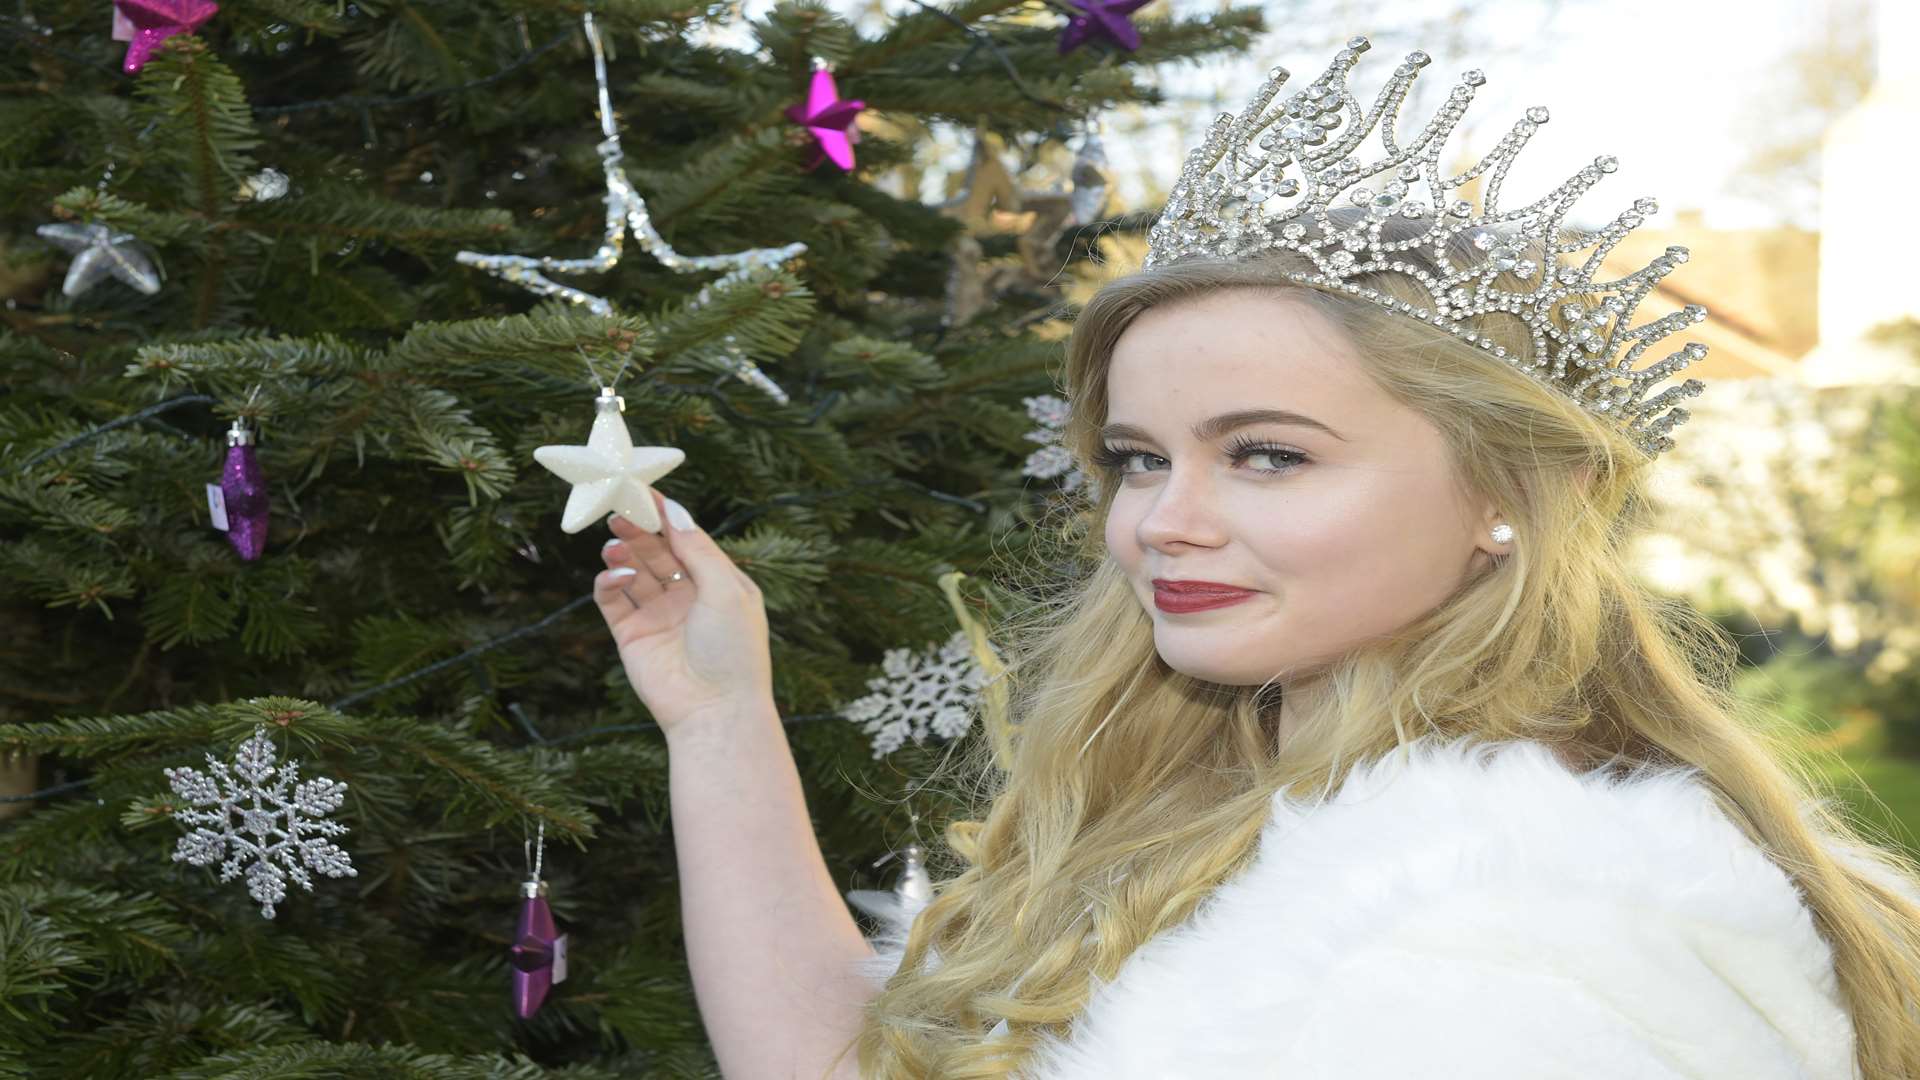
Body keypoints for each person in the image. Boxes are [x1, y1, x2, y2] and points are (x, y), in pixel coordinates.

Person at [590, 37, 1920, 1080]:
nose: (1161, 521)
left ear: (1516, 492)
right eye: (1140, 458)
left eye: (1268, 455)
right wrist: (721, 720)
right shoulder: (1229, 803)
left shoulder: (1517, 929)